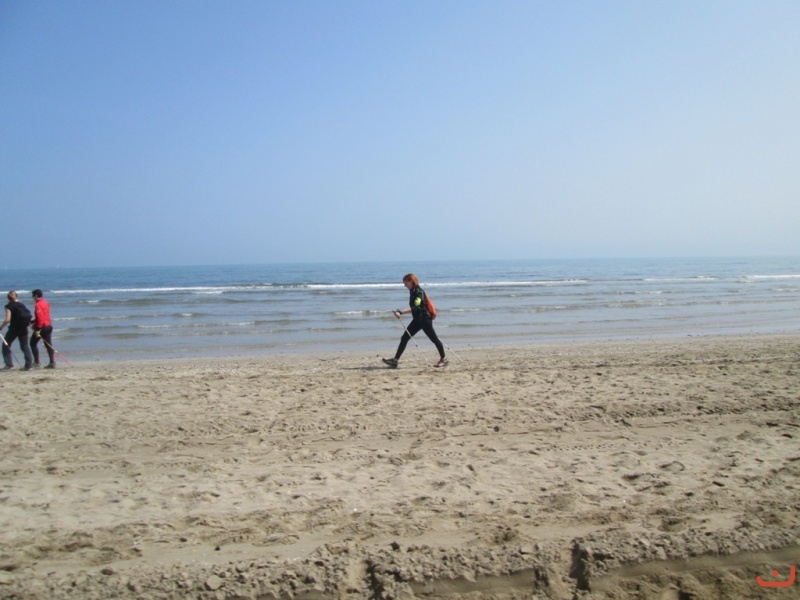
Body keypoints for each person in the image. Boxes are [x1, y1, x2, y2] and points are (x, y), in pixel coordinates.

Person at [383, 273, 447, 368]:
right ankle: (395, 361)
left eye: (405, 283)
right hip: (417, 320)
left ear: (411, 281)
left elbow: (416, 307)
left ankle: (443, 359)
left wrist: (400, 312)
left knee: (434, 339)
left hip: (425, 319)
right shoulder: (412, 292)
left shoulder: (418, 292)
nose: (404, 285)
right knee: (404, 338)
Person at [1, 290, 33, 371]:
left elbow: (7, 319)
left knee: (6, 344)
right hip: (24, 327)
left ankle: (9, 364)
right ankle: (28, 365)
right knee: (24, 345)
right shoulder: (21, 305)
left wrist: (1, 327)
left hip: (14, 328)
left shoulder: (8, 306)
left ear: (8, 298)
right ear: (17, 297)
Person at [31, 289, 56, 369]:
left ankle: (37, 362)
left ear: (36, 295)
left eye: (33, 296)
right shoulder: (45, 302)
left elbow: (40, 318)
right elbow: (44, 315)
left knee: (32, 343)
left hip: (43, 327)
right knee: (48, 344)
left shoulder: (38, 305)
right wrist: (34, 321)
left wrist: (37, 329)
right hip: (48, 325)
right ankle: (52, 362)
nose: (33, 298)